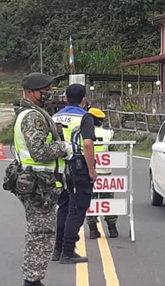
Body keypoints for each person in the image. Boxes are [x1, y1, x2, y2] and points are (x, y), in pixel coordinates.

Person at [10, 73, 73, 286]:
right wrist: (63, 147)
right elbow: (39, 151)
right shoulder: (32, 117)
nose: (50, 94)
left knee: (42, 233)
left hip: (40, 183)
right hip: (38, 185)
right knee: (40, 235)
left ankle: (35, 282)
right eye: (46, 90)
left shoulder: (32, 113)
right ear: (32, 92)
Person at [51, 84, 98, 264]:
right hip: (77, 166)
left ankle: (57, 248)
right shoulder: (85, 117)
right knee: (78, 208)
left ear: (65, 98)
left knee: (63, 206)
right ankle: (68, 251)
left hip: (59, 167)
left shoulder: (55, 116)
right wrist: (91, 170)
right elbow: (87, 144)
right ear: (84, 100)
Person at [86, 108, 119, 239]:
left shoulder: (84, 133)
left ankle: (93, 229)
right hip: (105, 173)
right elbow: (114, 152)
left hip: (89, 172)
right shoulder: (107, 133)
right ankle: (112, 229)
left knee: (90, 201)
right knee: (107, 201)